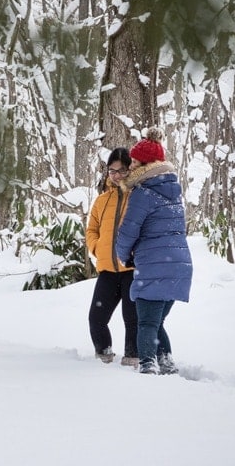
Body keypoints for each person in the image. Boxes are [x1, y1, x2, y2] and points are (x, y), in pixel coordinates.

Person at [115, 127, 193, 375]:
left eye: (135, 161)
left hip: (154, 263)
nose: (131, 166)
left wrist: (122, 253)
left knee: (147, 321)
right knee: (156, 321)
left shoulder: (143, 193)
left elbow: (129, 230)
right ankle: (167, 363)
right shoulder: (172, 192)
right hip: (179, 265)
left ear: (145, 165)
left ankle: (148, 366)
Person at [86, 148, 138, 366]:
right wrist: (97, 248)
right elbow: (91, 230)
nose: (116, 175)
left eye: (121, 170)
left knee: (132, 319)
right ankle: (104, 356)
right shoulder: (101, 200)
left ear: (130, 170)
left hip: (131, 270)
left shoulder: (137, 197)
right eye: (111, 171)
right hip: (107, 269)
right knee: (96, 318)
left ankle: (133, 358)